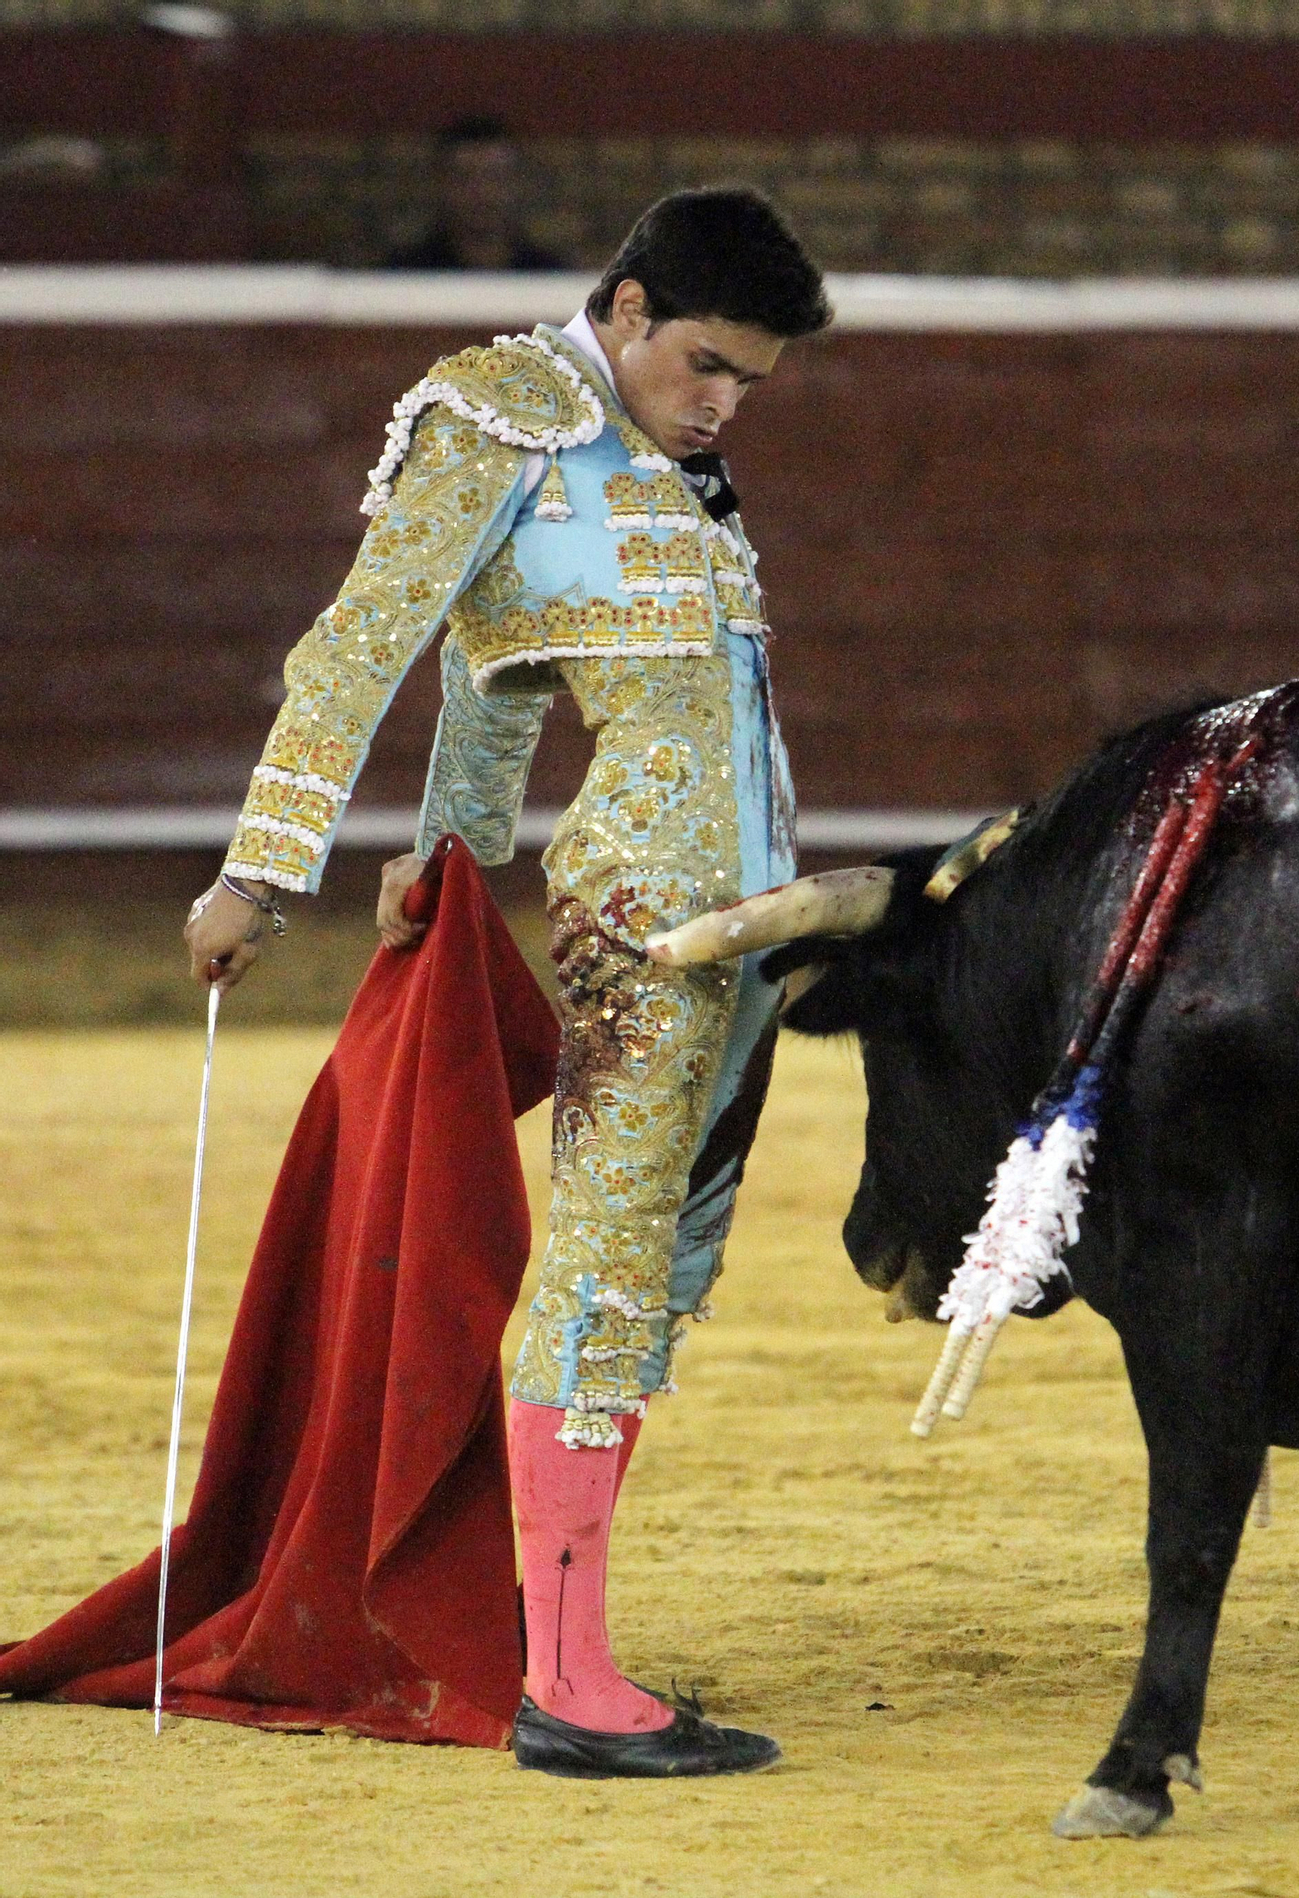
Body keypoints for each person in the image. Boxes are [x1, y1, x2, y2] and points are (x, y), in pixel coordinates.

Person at [184, 187, 832, 1777]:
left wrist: (457, 848)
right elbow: (365, 646)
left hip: (743, 930)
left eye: (746, 380)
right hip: (643, 923)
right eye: (700, 364)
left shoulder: (664, 466)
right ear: (620, 308)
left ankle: (563, 1629)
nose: (720, 402)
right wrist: (264, 868)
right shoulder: (500, 417)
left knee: (660, 1267)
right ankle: (569, 1680)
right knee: (606, 1273)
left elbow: (500, 680)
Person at [386, 117, 566, 272]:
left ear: (517, 184)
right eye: (465, 178)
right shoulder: (406, 275)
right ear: (441, 185)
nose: (482, 192)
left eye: (495, 177)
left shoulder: (549, 276)